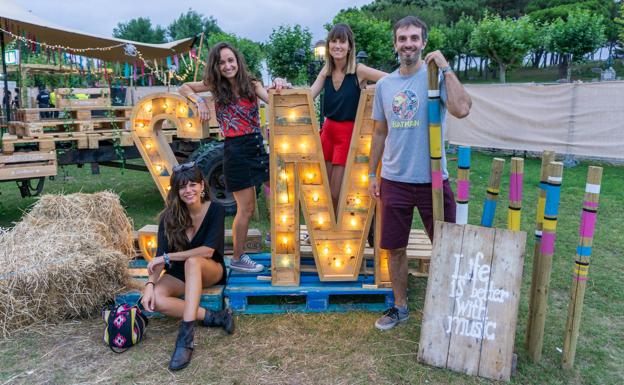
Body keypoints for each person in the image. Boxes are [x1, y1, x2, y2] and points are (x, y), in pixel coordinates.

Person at [367, 16, 472, 331]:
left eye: (414, 38)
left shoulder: (435, 78)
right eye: (402, 38)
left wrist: (446, 67)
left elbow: (462, 108)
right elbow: (379, 133)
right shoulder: (385, 85)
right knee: (394, 246)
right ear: (395, 44)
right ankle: (400, 306)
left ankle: (452, 305)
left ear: (423, 43)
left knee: (449, 244)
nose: (408, 44)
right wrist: (372, 173)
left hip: (433, 181)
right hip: (395, 179)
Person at [179, 42, 288, 273]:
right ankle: (238, 258)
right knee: (246, 208)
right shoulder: (214, 86)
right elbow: (184, 87)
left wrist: (279, 82)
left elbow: (271, 97)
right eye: (222, 62)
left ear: (238, 61)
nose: (228, 66)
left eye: (231, 60)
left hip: (257, 146)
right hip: (235, 151)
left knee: (283, 191)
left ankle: (276, 235)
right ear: (216, 67)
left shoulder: (252, 83)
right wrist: (199, 101)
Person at [141, 162, 233, 371]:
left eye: (193, 185)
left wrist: (168, 257)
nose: (188, 190)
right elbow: (158, 258)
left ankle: (185, 339)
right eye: (182, 187)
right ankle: (214, 316)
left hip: (210, 269)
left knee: (193, 261)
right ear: (176, 191)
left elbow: (207, 251)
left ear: (202, 186)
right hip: (178, 273)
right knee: (157, 300)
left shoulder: (216, 210)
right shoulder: (168, 217)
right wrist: (148, 285)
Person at [309, 23, 386, 214]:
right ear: (328, 46)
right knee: (322, 189)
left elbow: (391, 80)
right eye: (333, 41)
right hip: (327, 132)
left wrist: (370, 90)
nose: (337, 46)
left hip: (347, 134)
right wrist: (282, 85)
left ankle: (337, 232)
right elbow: (309, 95)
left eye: (342, 41)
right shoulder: (325, 71)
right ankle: (324, 231)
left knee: (336, 192)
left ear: (350, 46)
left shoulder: (359, 70)